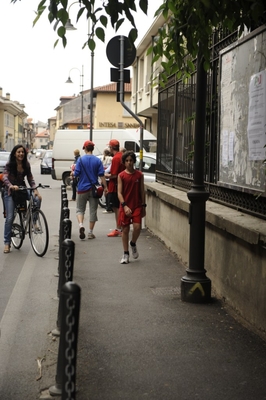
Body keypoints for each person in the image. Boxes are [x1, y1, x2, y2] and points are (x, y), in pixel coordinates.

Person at [2, 144, 42, 254]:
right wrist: (10, 185)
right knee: (10, 217)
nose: (21, 154)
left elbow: (30, 178)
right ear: (15, 153)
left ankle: (33, 221)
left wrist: (35, 190)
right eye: (19, 152)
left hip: (22, 189)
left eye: (22, 152)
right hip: (10, 191)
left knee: (37, 199)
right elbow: (4, 176)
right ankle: (7, 242)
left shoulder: (26, 164)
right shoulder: (10, 164)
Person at [73, 140, 108, 240]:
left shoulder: (80, 160)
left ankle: (80, 225)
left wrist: (73, 173)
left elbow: (76, 174)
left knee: (80, 209)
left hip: (82, 188)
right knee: (93, 211)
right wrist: (105, 188)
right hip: (94, 189)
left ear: (85, 149)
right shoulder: (97, 160)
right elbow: (102, 175)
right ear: (92, 149)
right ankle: (90, 233)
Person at [117, 151, 146, 264]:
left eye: (131, 160)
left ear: (134, 161)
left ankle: (133, 243)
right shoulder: (121, 176)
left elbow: (142, 191)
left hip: (137, 205)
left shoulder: (139, 175)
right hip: (125, 205)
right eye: (127, 161)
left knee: (137, 227)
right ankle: (125, 254)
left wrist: (144, 206)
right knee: (125, 230)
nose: (129, 163)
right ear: (124, 162)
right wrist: (124, 206)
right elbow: (119, 193)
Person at [105, 139, 125, 237]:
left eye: (109, 146)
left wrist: (105, 175)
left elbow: (114, 174)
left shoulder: (116, 158)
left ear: (112, 148)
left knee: (116, 208)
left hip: (115, 186)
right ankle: (120, 227)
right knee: (118, 207)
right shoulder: (121, 156)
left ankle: (119, 228)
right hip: (120, 185)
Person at [101, 148, 113, 213]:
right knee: (108, 193)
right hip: (109, 177)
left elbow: (102, 168)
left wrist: (103, 173)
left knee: (106, 193)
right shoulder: (111, 158)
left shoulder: (104, 159)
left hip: (105, 177)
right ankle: (109, 206)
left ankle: (108, 207)